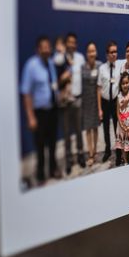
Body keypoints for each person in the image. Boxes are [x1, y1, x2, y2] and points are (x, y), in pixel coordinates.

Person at [20, 36, 59, 185]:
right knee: (41, 145)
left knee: (53, 143)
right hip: (39, 113)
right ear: (38, 49)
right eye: (45, 47)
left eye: (49, 47)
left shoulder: (50, 63)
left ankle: (53, 169)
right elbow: (26, 93)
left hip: (53, 110)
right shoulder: (31, 66)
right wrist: (31, 117)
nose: (48, 49)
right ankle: (41, 174)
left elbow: (53, 85)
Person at [60, 32, 86, 174]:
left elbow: (83, 78)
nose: (72, 44)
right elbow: (56, 80)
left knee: (78, 131)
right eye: (70, 42)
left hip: (77, 99)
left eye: (74, 42)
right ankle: (69, 160)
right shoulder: (60, 59)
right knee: (66, 133)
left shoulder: (80, 58)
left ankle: (81, 155)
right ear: (66, 43)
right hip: (65, 102)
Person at [97, 41, 123, 166]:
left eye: (115, 51)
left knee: (117, 129)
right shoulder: (102, 68)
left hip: (115, 103)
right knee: (106, 128)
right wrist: (99, 109)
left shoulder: (120, 65)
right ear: (107, 54)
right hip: (105, 102)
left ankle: (119, 154)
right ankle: (107, 150)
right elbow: (98, 88)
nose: (114, 54)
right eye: (111, 52)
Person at [81, 42, 101, 167]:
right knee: (88, 128)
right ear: (87, 53)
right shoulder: (82, 67)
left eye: (93, 51)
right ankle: (90, 154)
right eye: (89, 51)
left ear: (96, 53)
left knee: (95, 127)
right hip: (86, 102)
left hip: (96, 101)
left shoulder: (100, 66)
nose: (91, 53)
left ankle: (95, 150)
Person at [115, 72, 129, 164]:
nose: (125, 85)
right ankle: (125, 161)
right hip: (121, 125)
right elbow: (117, 112)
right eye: (123, 83)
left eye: (127, 83)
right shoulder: (119, 97)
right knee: (123, 147)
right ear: (120, 85)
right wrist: (121, 125)